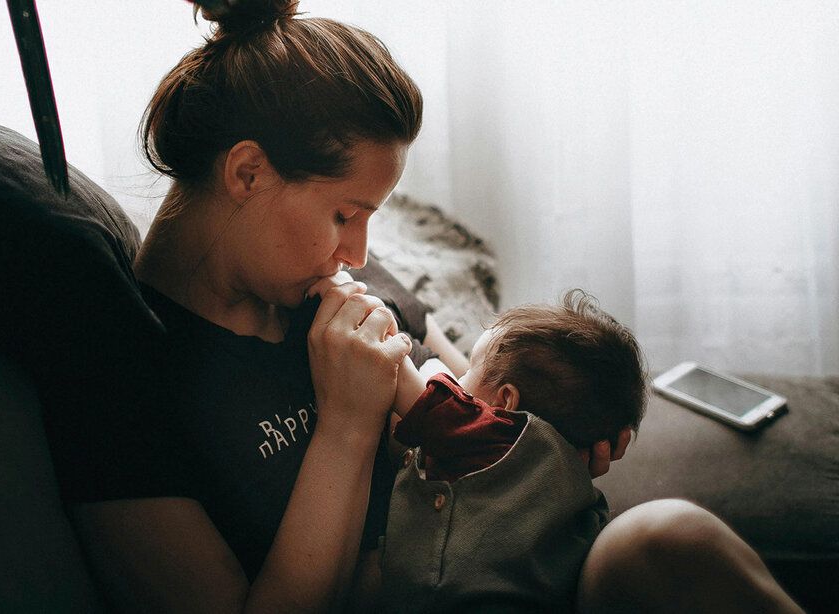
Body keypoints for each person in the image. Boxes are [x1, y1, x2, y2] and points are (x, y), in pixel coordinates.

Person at [64, 1, 804, 612]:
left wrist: (557, 440)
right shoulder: (122, 382)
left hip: (524, 580)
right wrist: (349, 428)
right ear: (248, 172)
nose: (357, 252)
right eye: (344, 214)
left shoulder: (344, 279)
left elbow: (484, 405)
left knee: (667, 537)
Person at [381, 289, 646, 612]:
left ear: (505, 402)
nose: (456, 377)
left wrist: (369, 316)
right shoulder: (564, 471)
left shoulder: (494, 432)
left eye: (467, 372)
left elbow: (402, 378)